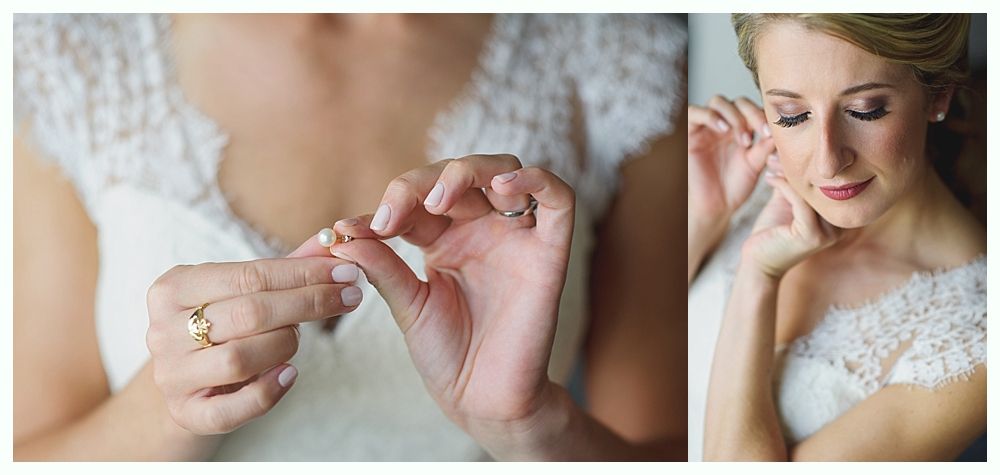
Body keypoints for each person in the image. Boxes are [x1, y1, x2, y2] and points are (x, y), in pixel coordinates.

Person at [13, 14, 687, 460]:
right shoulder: (69, 53)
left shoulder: (615, 51)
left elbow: (675, 449)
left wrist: (532, 424)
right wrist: (162, 412)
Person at [688, 13, 985, 461]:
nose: (828, 162)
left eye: (865, 111)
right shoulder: (742, 192)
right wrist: (703, 216)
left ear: (937, 94)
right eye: (792, 116)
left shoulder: (975, 338)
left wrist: (758, 276)